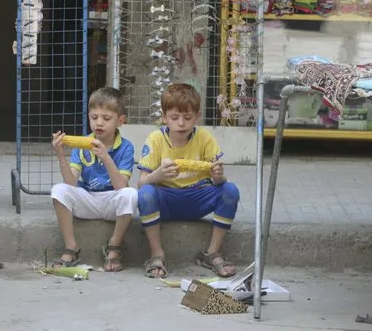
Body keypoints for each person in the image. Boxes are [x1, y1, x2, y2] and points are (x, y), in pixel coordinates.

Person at [137, 83, 240, 279]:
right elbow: (141, 183)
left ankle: (212, 253)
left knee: (230, 190)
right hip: (166, 200)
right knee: (145, 194)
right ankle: (156, 254)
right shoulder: (155, 139)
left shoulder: (204, 137)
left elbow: (219, 180)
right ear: (164, 117)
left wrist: (218, 177)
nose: (181, 124)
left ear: (197, 117)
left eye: (188, 117)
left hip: (197, 197)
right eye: (175, 118)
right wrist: (157, 175)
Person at [50, 87, 138, 272]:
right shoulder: (82, 145)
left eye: (106, 118)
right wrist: (61, 156)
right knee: (58, 190)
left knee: (130, 194)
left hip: (111, 201)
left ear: (120, 121)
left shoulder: (126, 147)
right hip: (88, 199)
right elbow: (71, 183)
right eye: (94, 117)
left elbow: (121, 185)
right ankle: (71, 246)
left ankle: (113, 246)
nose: (99, 123)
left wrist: (106, 157)